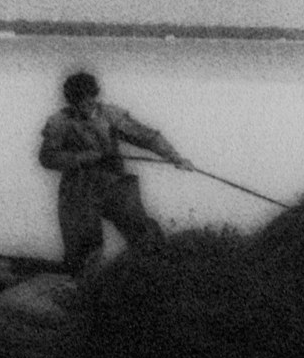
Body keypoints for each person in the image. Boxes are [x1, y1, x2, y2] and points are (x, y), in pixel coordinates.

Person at [40, 71, 195, 274]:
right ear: (71, 101)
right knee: (83, 249)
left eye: (89, 99)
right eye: (79, 101)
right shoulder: (59, 122)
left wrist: (175, 157)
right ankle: (85, 287)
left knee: (144, 235)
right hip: (78, 190)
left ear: (95, 95)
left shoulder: (111, 115)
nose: (85, 105)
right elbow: (47, 158)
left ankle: (160, 275)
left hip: (114, 184)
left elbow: (147, 137)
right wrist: (81, 158)